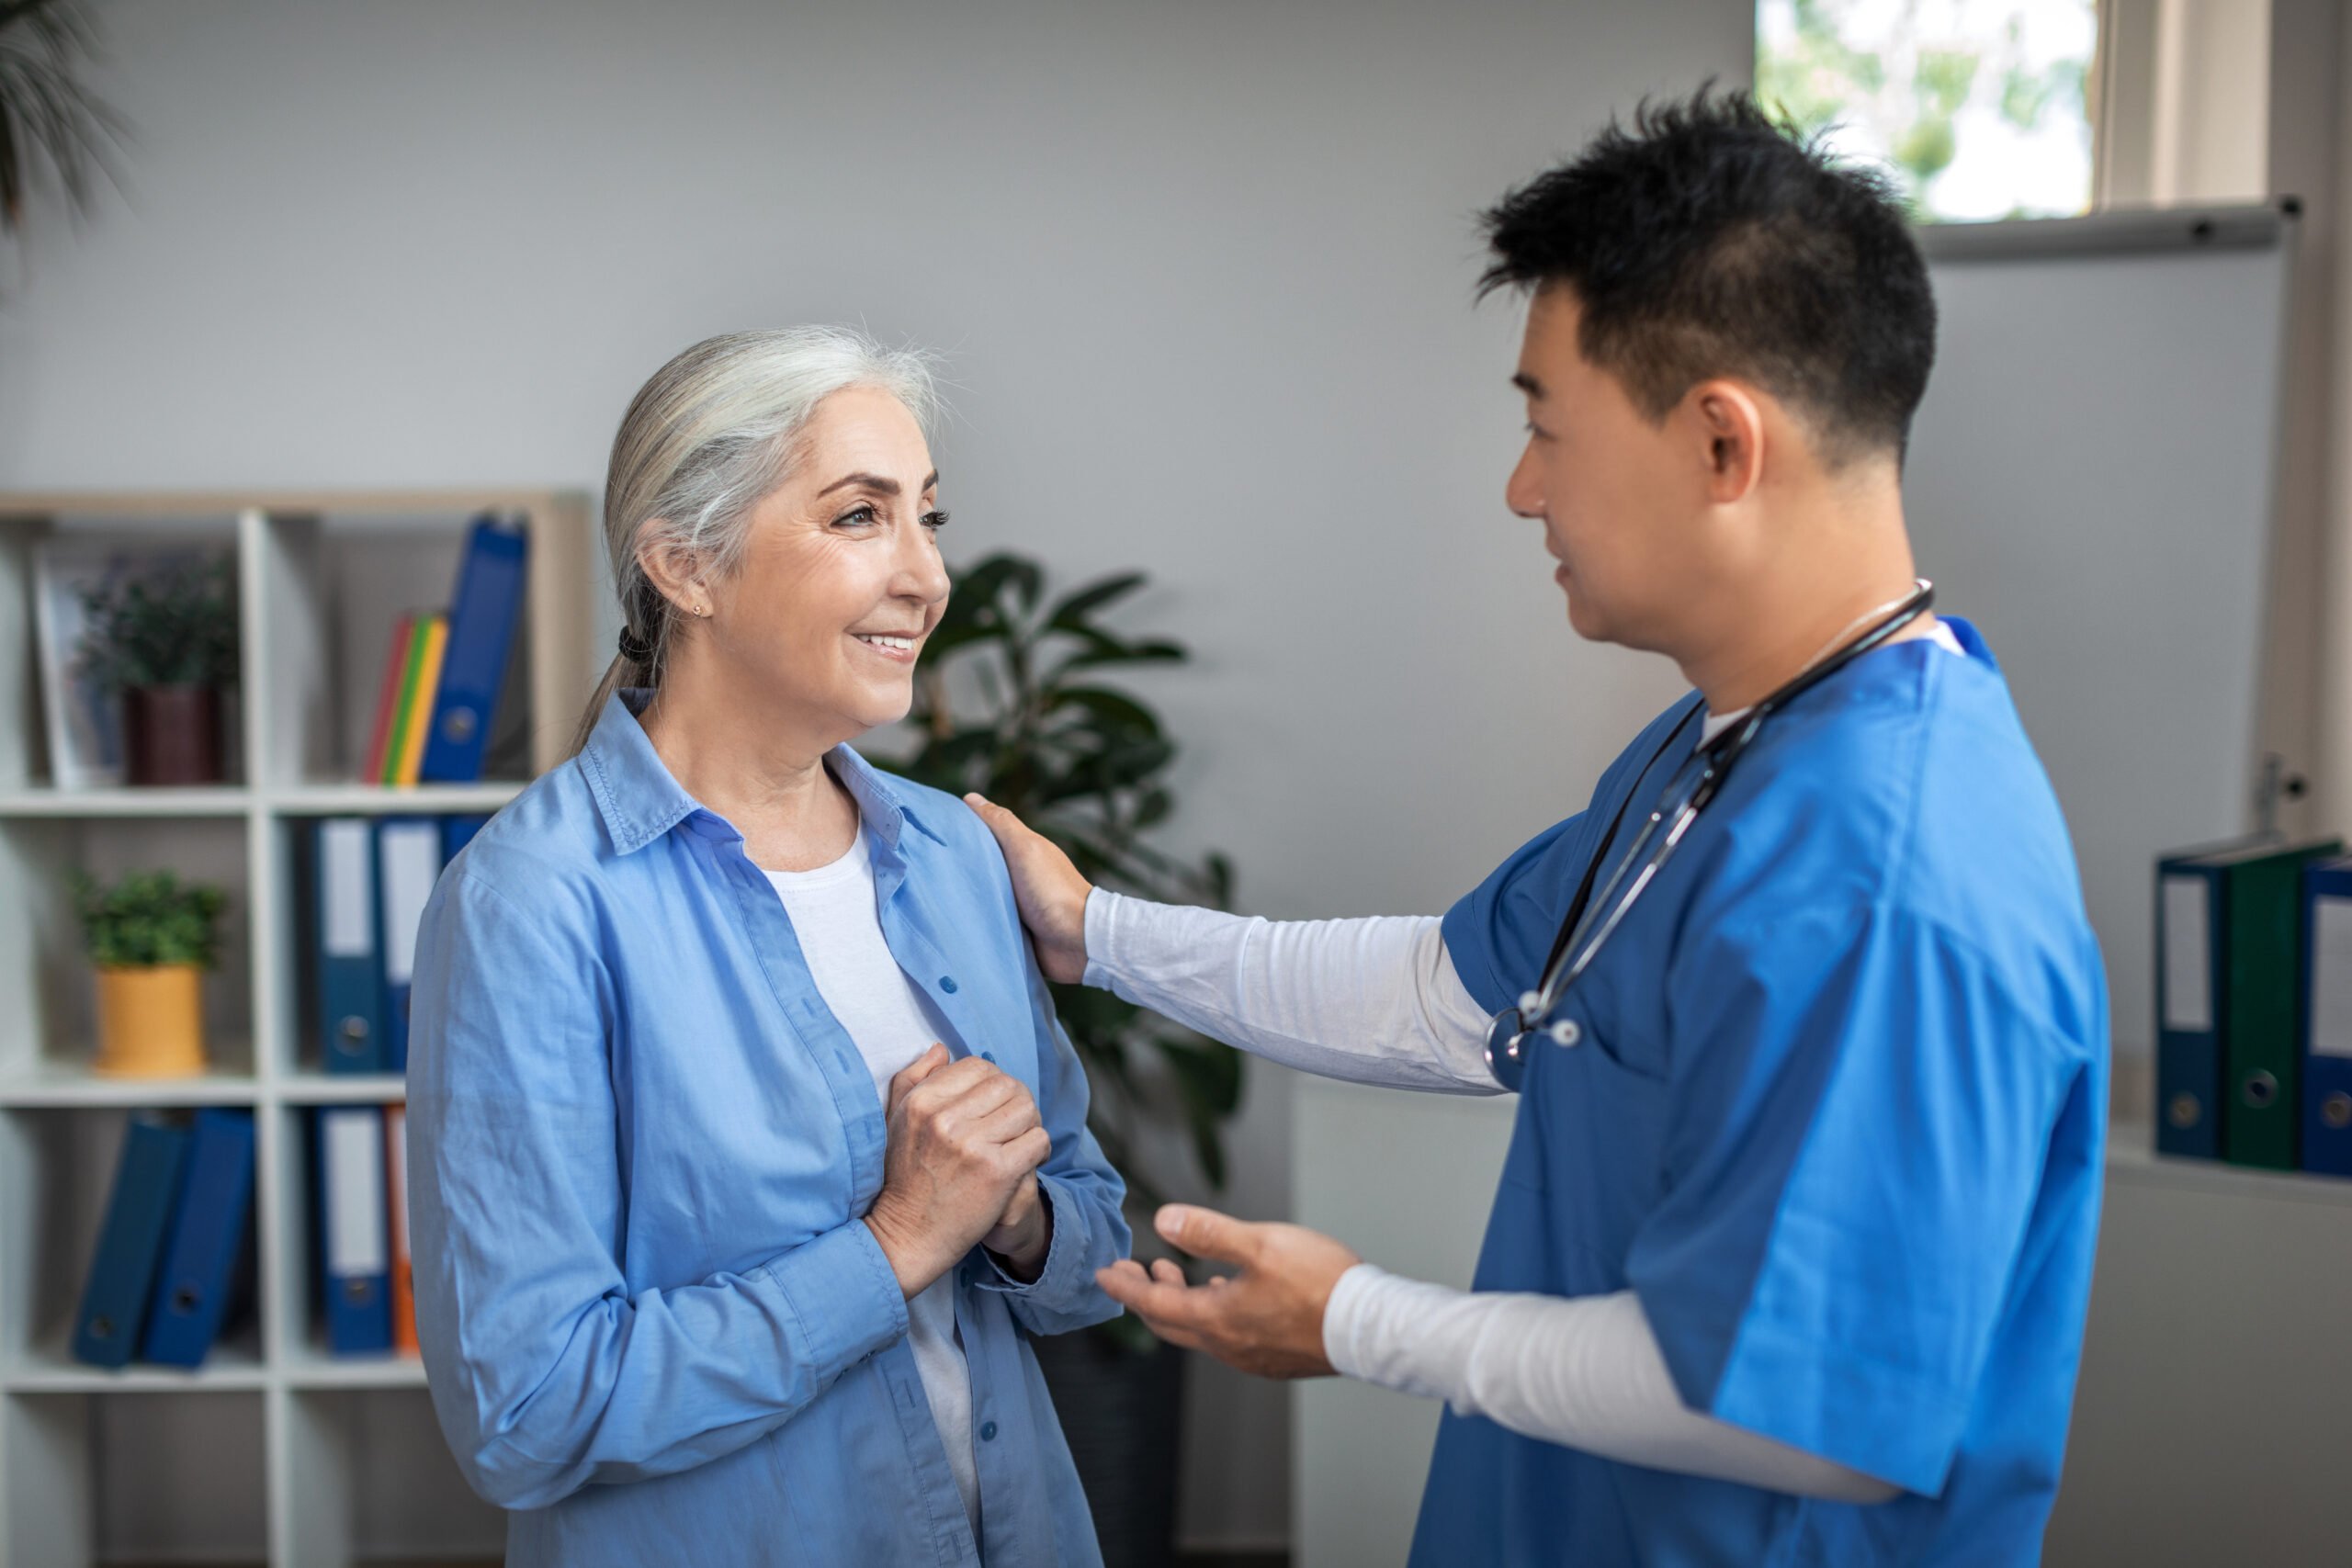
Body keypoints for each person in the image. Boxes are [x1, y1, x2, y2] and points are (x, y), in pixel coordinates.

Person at [968, 92, 2108, 1565]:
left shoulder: (1884, 872)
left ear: (1720, 446)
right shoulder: (1733, 747)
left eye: (1544, 426)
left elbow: (1795, 1416)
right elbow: (1459, 995)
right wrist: (1098, 936)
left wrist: (1358, 1321)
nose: (1523, 490)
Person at [405, 327, 1129, 1568]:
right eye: (861, 518)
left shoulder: (954, 855)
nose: (927, 578)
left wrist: (1010, 1215)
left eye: (929, 519)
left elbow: (1096, 1244)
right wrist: (897, 1242)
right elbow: (526, 1416)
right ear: (687, 563)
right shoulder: (533, 903)